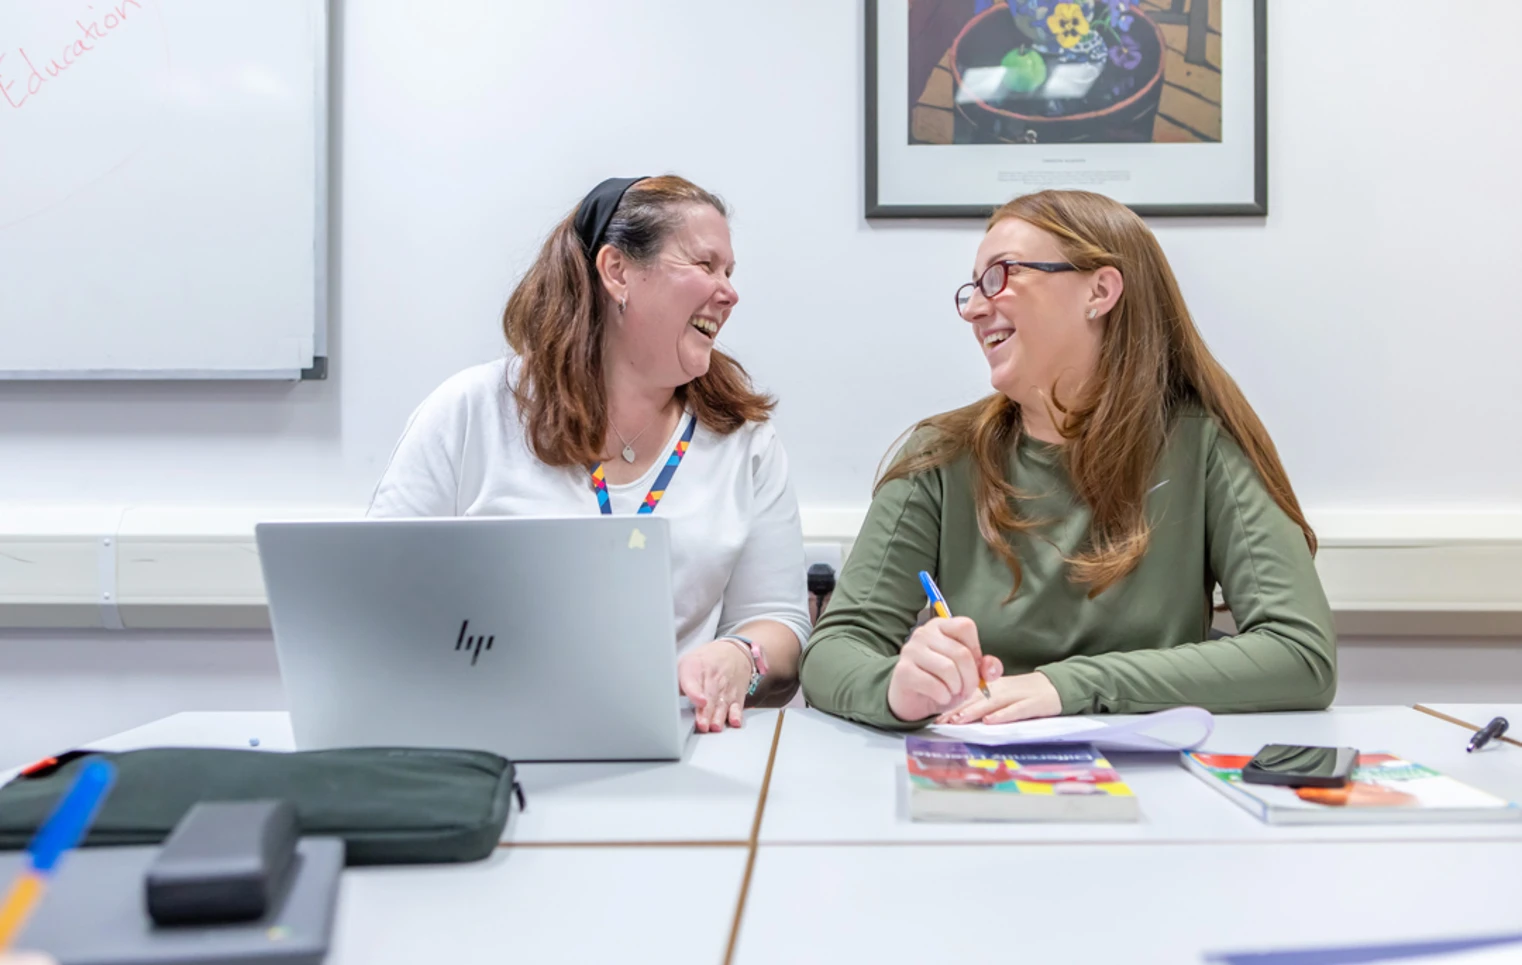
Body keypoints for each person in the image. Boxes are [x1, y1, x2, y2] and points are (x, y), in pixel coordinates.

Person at [801, 189, 1336, 729]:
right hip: (980, 774)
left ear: (1099, 291)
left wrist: (1065, 686)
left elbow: (1300, 654)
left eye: (1001, 275)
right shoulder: (940, 457)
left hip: (1158, 781)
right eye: (972, 287)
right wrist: (897, 689)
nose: (973, 308)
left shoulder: (1204, 446)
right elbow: (832, 652)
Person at [369, 176, 810, 732]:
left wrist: (740, 657)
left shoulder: (744, 443)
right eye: (706, 265)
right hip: (485, 738)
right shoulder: (470, 413)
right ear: (617, 271)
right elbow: (378, 596)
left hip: (676, 742)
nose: (729, 292)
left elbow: (781, 623)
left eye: (730, 272)